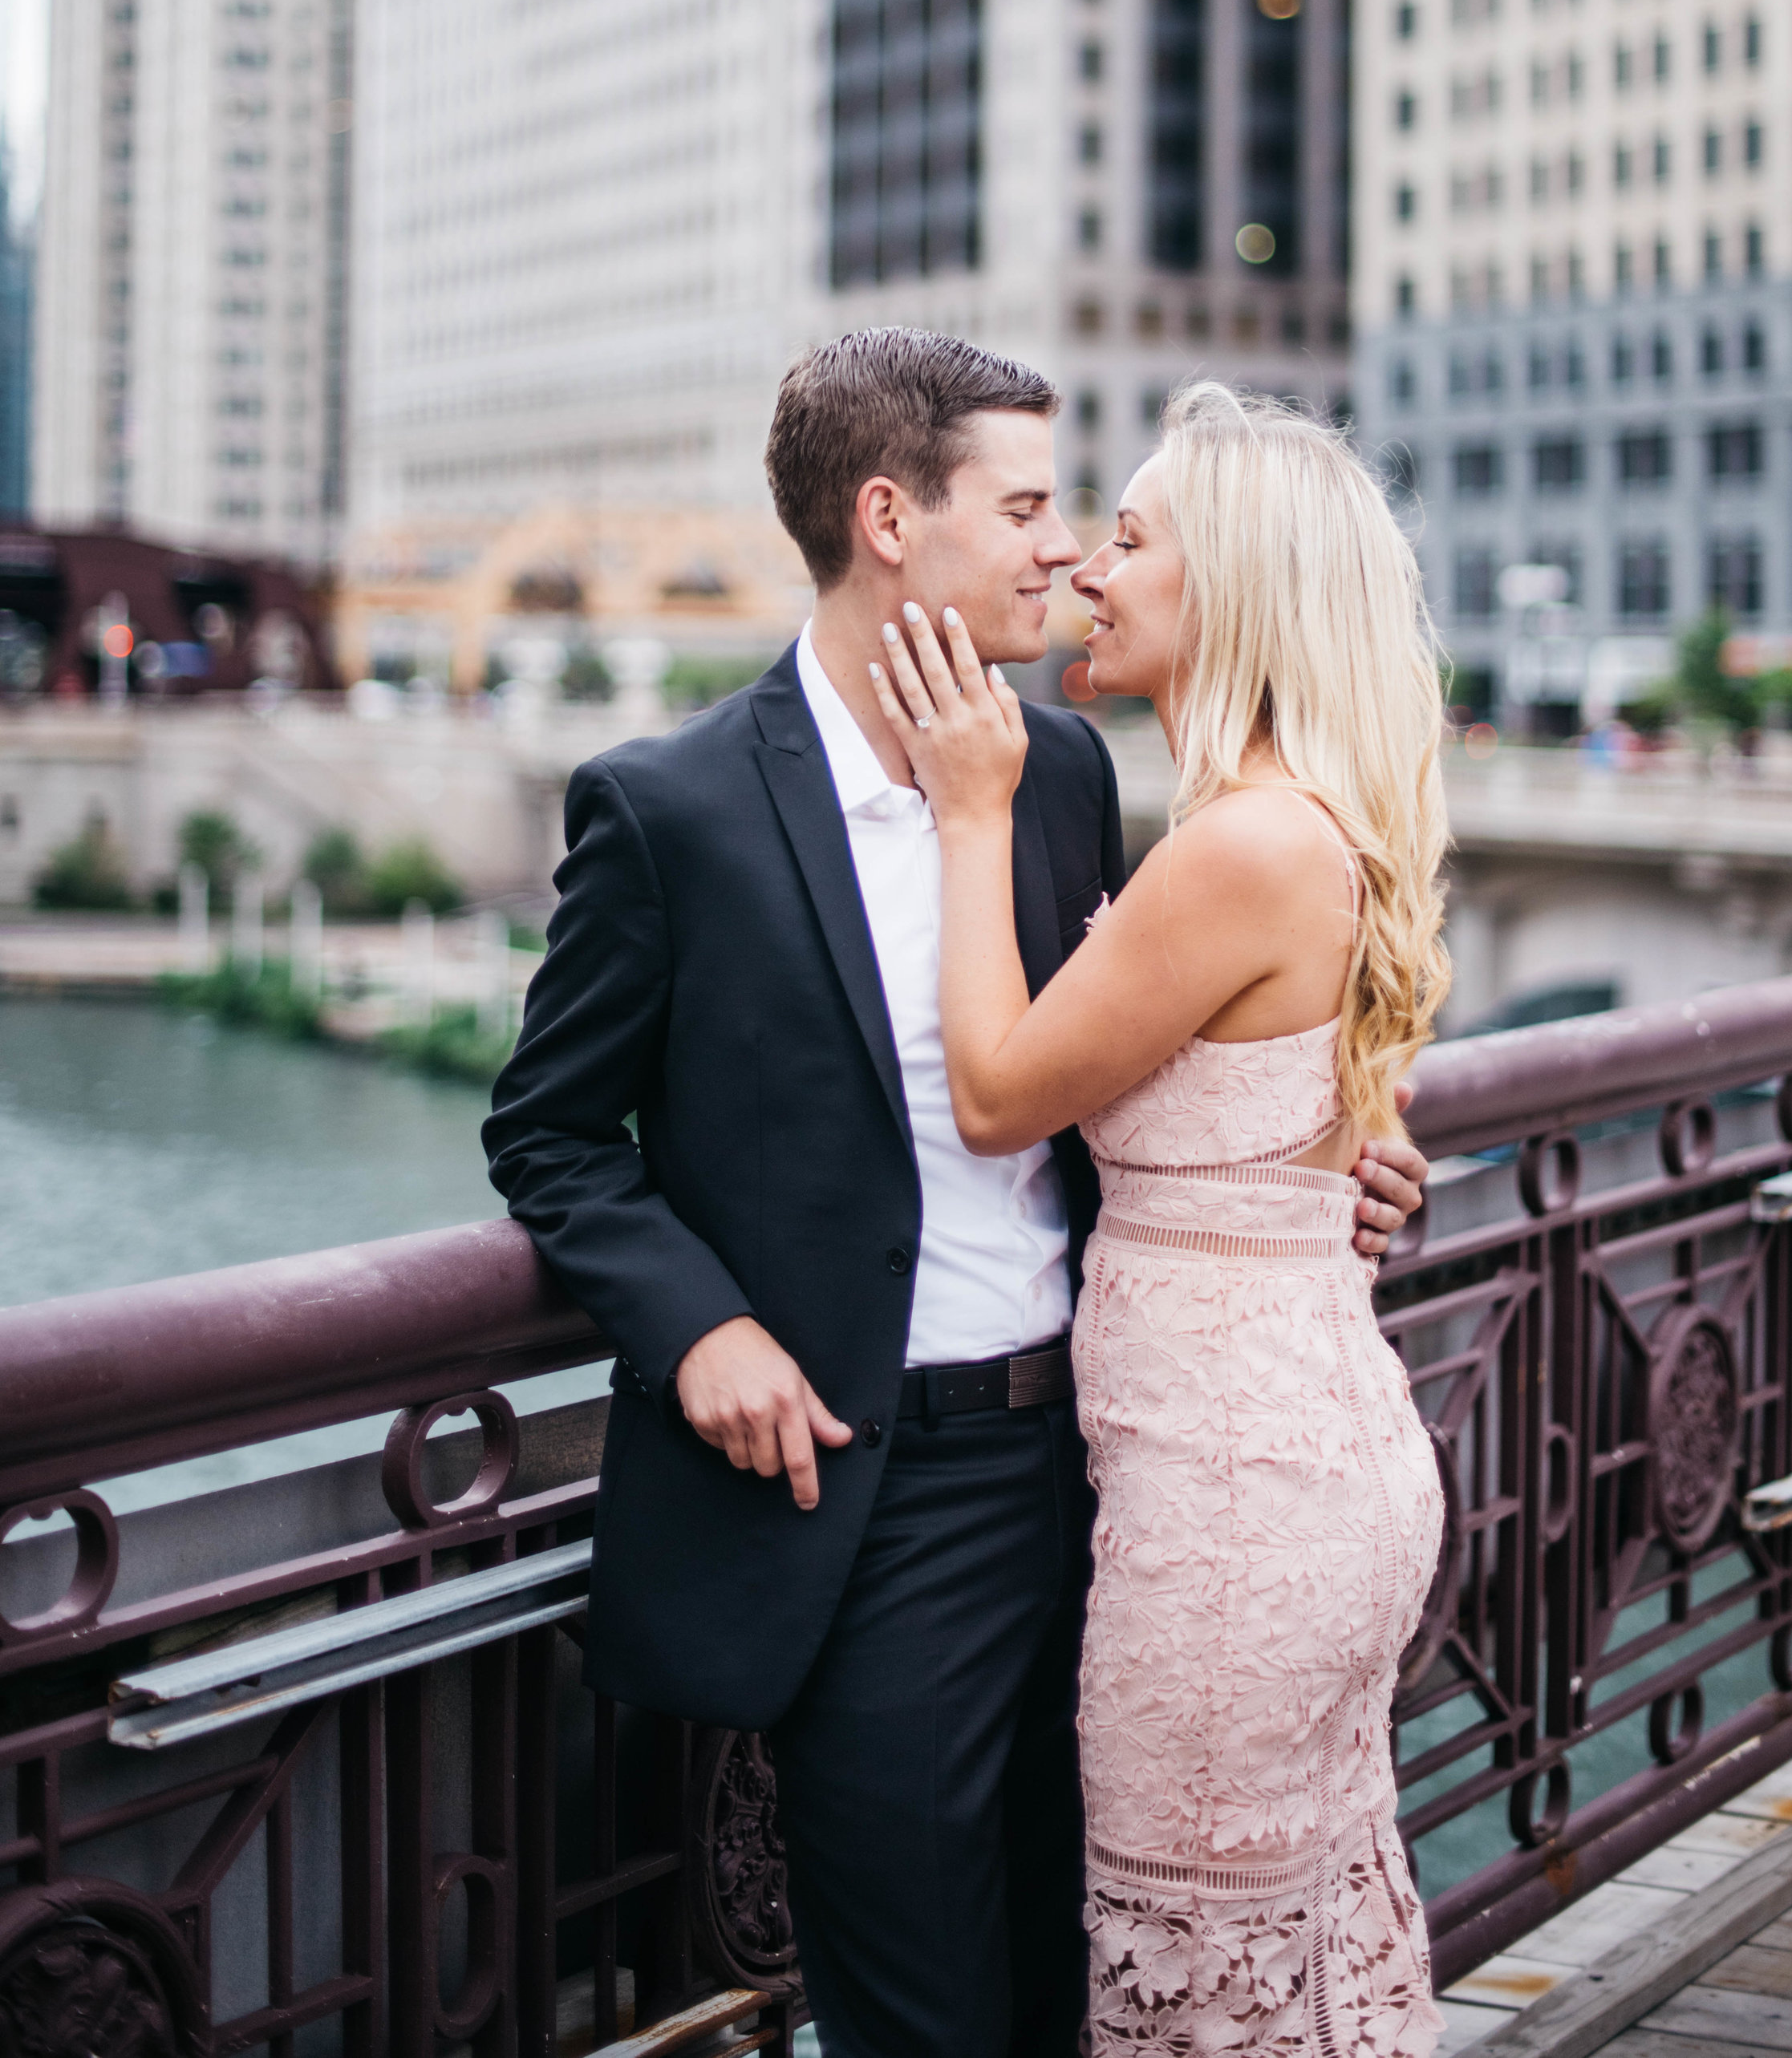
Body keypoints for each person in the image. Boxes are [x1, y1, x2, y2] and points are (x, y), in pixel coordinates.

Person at [484, 330, 1429, 2058]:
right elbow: (548, 1132)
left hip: (1122, 1484)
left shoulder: (1062, 776)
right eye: (1026, 506)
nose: (1061, 551)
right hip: (869, 1498)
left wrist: (1313, 1154)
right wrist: (696, 1324)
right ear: (887, 521)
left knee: (1104, 1978)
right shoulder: (669, 808)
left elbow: (1119, 1064)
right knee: (923, 2008)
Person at [867, 379, 1449, 2056]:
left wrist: (971, 807)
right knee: (1303, 1952)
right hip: (1296, 1474)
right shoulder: (1288, 827)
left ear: (1236, 588)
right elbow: (1267, 1119)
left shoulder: (1236, 847)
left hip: (1234, 1521)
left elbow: (994, 1092)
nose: (1084, 570)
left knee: (1195, 1977)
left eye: (1126, 537)